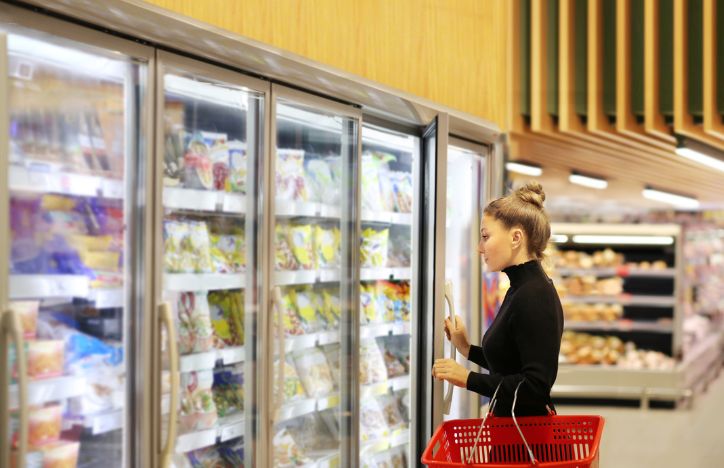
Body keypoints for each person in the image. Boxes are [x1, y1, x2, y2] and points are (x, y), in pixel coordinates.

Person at [431, 182, 564, 417]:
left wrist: (468, 378)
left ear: (516, 238)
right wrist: (466, 349)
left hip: (528, 445)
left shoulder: (533, 295)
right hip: (515, 437)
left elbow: (535, 387)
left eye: (485, 236)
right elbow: (511, 363)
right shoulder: (522, 287)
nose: (479, 248)